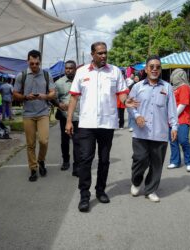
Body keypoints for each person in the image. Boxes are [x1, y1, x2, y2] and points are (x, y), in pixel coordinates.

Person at [65, 42, 138, 212]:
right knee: (85, 159)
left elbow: (121, 93)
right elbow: (74, 98)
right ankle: (84, 195)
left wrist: (125, 101)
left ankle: (100, 191)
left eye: (105, 53)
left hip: (107, 123)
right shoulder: (82, 72)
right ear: (92, 54)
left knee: (104, 160)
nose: (104, 56)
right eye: (100, 53)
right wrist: (69, 120)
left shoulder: (114, 72)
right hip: (86, 124)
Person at [128, 55, 178, 203]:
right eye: (152, 67)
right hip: (140, 132)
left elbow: (172, 110)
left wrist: (174, 126)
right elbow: (130, 106)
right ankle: (136, 181)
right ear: (146, 69)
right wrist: (136, 116)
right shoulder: (137, 87)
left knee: (157, 164)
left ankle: (150, 190)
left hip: (160, 133)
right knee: (140, 159)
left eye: (158, 67)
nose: (155, 69)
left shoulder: (167, 87)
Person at [13, 50, 56, 182]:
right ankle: (33, 168)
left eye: (37, 63)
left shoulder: (47, 75)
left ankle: (41, 160)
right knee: (30, 144)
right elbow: (15, 94)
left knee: (44, 141)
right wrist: (26, 97)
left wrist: (45, 96)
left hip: (43, 112)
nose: (34, 66)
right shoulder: (22, 75)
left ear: (40, 62)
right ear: (27, 61)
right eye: (32, 63)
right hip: (28, 114)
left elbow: (53, 93)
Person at [54, 60, 80, 176]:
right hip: (65, 117)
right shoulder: (59, 83)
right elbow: (53, 98)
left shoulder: (81, 81)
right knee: (65, 141)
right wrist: (59, 104)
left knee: (77, 142)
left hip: (79, 117)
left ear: (75, 69)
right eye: (67, 68)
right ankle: (65, 160)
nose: (68, 70)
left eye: (71, 68)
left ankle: (77, 166)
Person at [168, 68, 190, 172]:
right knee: (173, 141)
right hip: (171, 119)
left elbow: (183, 104)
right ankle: (175, 161)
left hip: (182, 118)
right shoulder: (174, 88)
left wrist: (173, 116)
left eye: (174, 75)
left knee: (183, 140)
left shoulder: (184, 87)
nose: (172, 77)